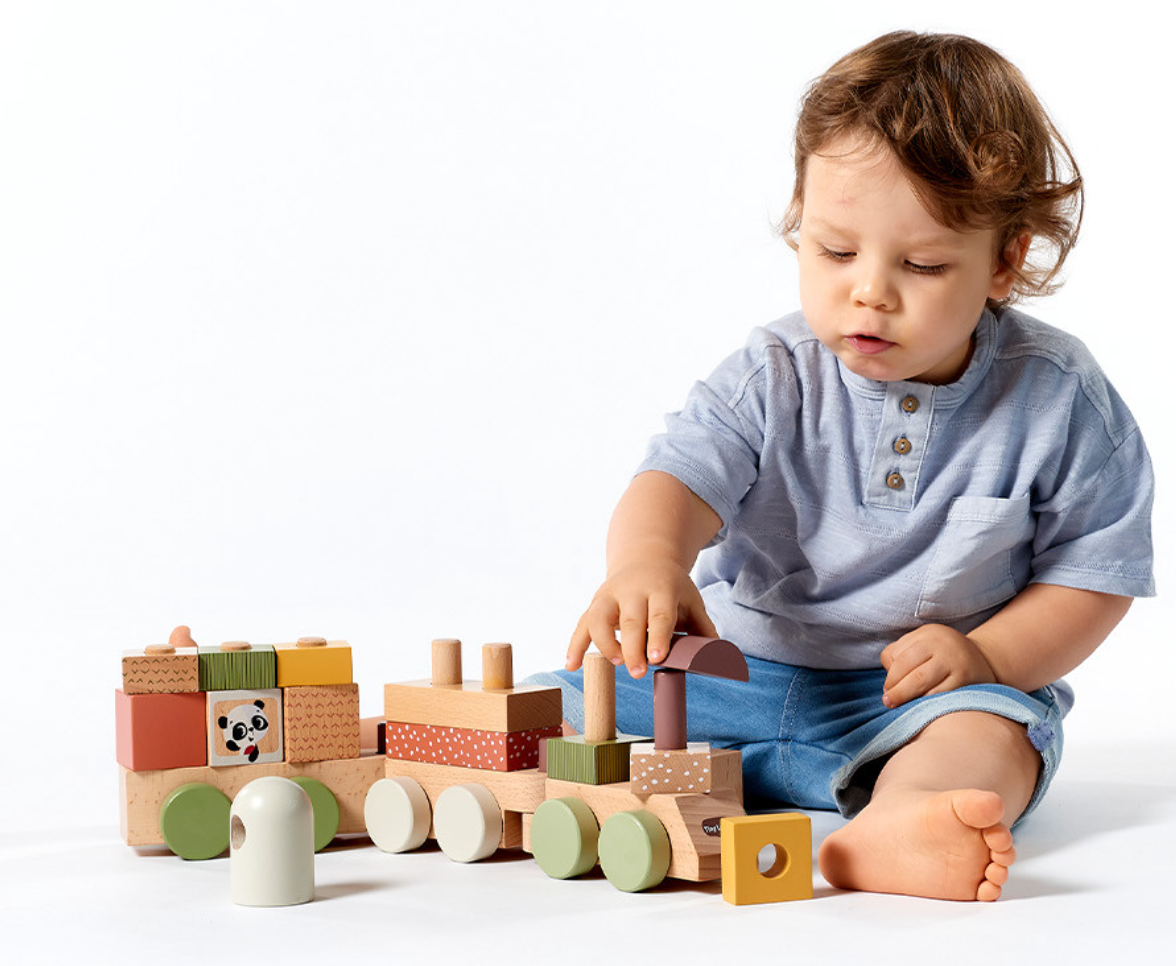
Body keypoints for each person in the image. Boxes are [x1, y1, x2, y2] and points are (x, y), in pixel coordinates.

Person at [531, 31, 1156, 901]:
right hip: (725, 679)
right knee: (551, 708)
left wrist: (984, 655)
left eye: (923, 264)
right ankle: (492, 774)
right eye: (834, 251)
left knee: (994, 736)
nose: (870, 290)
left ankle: (903, 819)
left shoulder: (1058, 396)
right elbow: (677, 476)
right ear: (800, 221)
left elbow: (1093, 574)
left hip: (910, 704)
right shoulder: (773, 373)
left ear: (1005, 260)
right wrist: (647, 562)